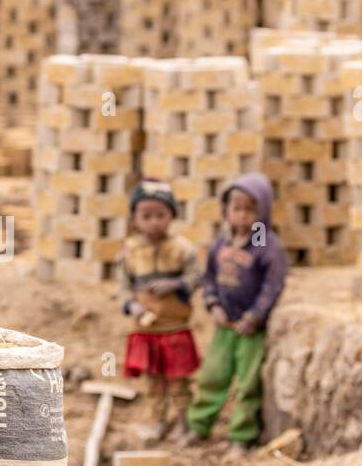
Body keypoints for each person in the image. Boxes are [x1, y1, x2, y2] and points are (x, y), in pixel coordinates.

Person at [187, 173, 287, 449]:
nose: (242, 216)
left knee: (248, 383)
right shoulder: (222, 242)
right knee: (212, 377)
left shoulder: (266, 246)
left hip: (249, 329)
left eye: (250, 209)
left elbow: (272, 287)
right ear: (226, 210)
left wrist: (255, 315)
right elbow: (208, 278)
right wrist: (213, 304)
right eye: (236, 208)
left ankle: (241, 437)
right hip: (224, 325)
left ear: (263, 211)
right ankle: (199, 426)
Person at [117, 179, 201, 441]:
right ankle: (158, 422)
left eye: (161, 215)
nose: (154, 221)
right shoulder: (130, 252)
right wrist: (133, 307)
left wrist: (175, 284)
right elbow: (123, 288)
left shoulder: (182, 249)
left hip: (174, 327)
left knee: (179, 380)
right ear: (134, 218)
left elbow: (196, 277)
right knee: (153, 381)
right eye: (146, 216)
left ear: (172, 215)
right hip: (145, 329)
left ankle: (184, 425)